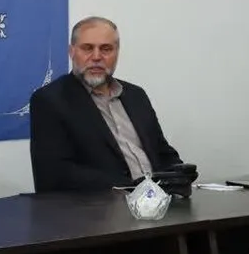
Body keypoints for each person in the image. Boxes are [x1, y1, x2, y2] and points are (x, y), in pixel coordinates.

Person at [29, 17, 184, 193]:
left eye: (106, 49)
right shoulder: (50, 100)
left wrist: (179, 175)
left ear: (117, 53)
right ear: (72, 52)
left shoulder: (135, 95)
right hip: (100, 206)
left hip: (159, 199)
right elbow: (55, 173)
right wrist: (133, 188)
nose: (96, 57)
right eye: (87, 48)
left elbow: (162, 152)